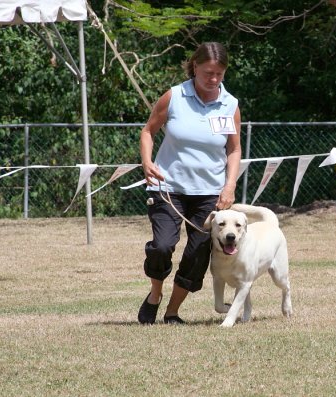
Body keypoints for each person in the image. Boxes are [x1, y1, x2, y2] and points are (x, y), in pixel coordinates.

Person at [138, 42, 242, 325]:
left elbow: (234, 150)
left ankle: (172, 312)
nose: (214, 80)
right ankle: (155, 295)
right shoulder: (174, 96)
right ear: (195, 66)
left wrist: (229, 185)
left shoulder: (229, 104)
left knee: (197, 254)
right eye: (208, 72)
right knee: (162, 246)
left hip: (210, 192)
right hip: (168, 187)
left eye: (219, 74)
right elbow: (148, 131)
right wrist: (147, 162)